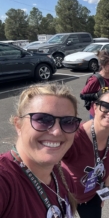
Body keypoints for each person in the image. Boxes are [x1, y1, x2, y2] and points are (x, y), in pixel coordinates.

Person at [0, 83, 81, 217]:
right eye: (42, 119)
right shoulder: (5, 180)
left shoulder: (63, 176)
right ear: (18, 125)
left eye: (68, 121)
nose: (56, 132)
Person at [62, 89, 109, 218]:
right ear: (95, 107)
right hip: (65, 196)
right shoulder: (75, 136)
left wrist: (105, 190)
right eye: (106, 106)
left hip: (91, 195)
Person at [81, 50, 109, 119]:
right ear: (102, 65)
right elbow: (82, 95)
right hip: (98, 115)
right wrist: (96, 95)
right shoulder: (96, 79)